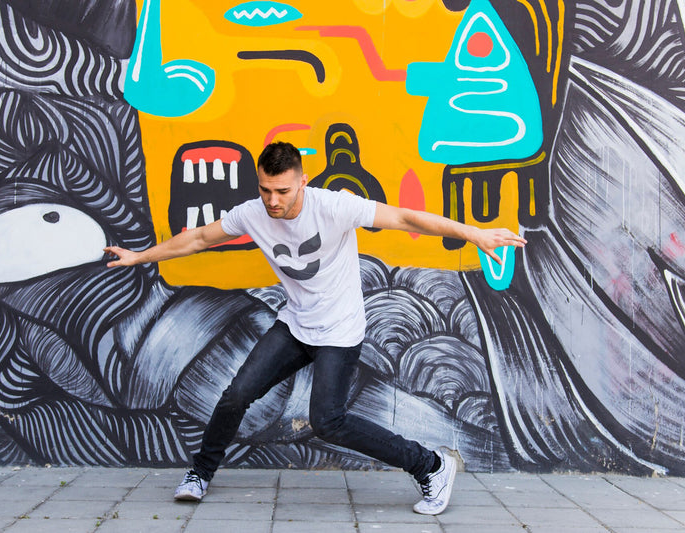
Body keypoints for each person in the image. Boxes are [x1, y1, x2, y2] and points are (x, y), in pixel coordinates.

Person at [104, 141, 527, 515]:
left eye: (283, 191)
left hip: (339, 332)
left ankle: (431, 466)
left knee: (328, 421)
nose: (273, 201)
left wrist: (474, 234)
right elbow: (197, 239)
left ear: (302, 182)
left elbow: (405, 217)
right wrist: (140, 257)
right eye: (265, 190)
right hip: (295, 325)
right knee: (236, 395)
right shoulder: (252, 214)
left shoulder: (334, 206)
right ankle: (199, 473)